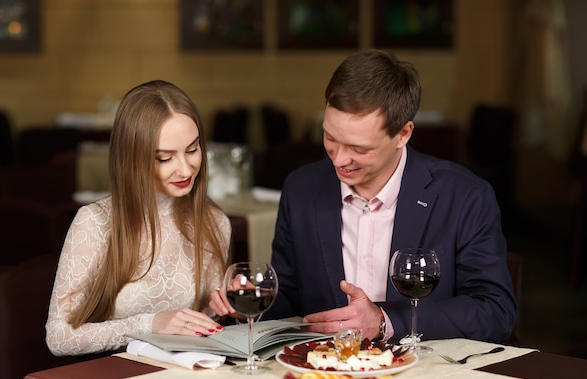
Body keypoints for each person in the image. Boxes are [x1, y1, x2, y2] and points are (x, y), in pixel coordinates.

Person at [210, 49, 517, 344]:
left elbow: (495, 311)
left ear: (403, 134)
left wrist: (385, 320)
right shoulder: (302, 188)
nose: (339, 160)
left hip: (428, 373)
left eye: (359, 149)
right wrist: (250, 304)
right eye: (330, 137)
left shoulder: (464, 197)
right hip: (325, 373)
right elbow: (289, 296)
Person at [46, 80, 231, 356]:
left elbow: (204, 325)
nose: (185, 168)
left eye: (192, 150)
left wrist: (225, 304)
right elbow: (59, 337)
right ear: (133, 159)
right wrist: (150, 323)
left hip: (184, 377)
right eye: (165, 158)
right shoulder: (95, 223)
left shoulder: (214, 222)